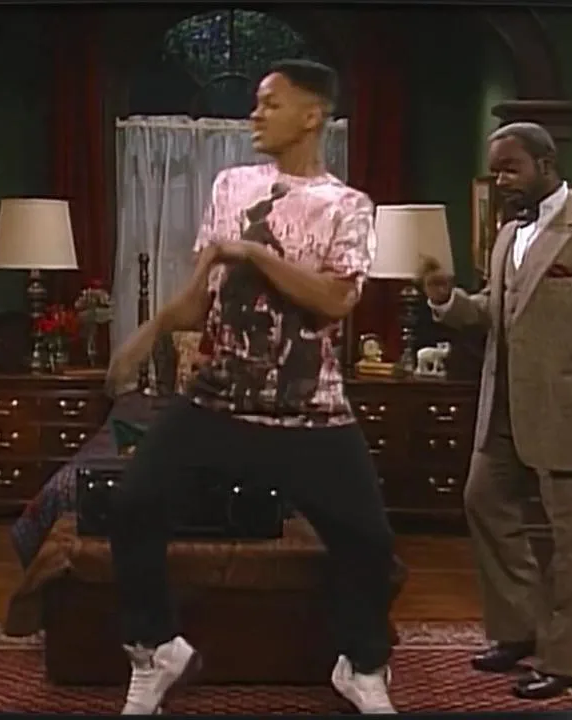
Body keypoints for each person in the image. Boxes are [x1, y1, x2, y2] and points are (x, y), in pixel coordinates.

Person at [104, 59, 397, 714]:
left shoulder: (348, 206)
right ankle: (156, 648)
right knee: (132, 505)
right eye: (257, 103)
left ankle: (361, 666)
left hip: (311, 410)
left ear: (312, 115)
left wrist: (256, 253)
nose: (254, 114)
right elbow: (201, 298)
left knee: (369, 541)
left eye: (270, 103)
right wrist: (149, 331)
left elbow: (335, 301)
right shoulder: (232, 185)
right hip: (218, 398)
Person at [422, 122, 572, 700]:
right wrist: (446, 300)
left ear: (546, 165)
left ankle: (561, 659)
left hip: (568, 415)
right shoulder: (507, 237)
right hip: (501, 410)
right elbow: (495, 313)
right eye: (496, 170)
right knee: (482, 502)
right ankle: (518, 630)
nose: (501, 180)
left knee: (569, 543)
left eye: (511, 168)